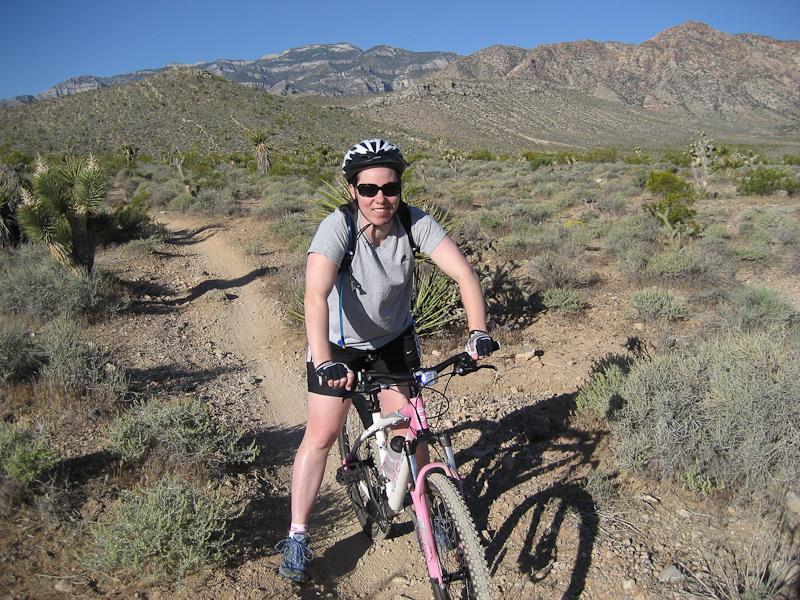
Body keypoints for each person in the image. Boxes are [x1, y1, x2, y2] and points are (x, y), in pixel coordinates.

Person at [275, 138, 496, 583]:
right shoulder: (336, 228)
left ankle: (428, 509)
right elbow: (315, 297)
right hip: (339, 347)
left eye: (390, 188)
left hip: (393, 340)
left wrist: (478, 331)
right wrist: (324, 361)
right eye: (369, 189)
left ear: (400, 188)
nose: (381, 199)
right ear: (353, 190)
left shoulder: (414, 222)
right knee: (322, 433)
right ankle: (298, 534)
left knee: (412, 429)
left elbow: (464, 273)